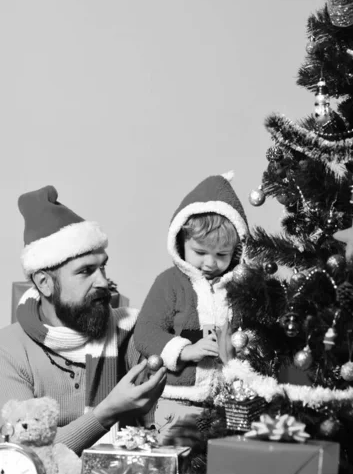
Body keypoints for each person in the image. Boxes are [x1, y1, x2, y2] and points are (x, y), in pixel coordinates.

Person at [0, 185, 166, 455]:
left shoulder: (129, 331)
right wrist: (106, 413)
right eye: (86, 271)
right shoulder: (8, 350)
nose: (103, 282)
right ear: (44, 283)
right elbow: (27, 454)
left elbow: (182, 374)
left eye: (103, 267)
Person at [134, 172, 249, 440]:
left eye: (221, 255)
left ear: (237, 251)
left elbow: (252, 329)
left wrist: (242, 345)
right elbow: (146, 332)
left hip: (229, 398)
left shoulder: (240, 286)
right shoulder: (170, 283)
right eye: (200, 253)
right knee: (178, 458)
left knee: (226, 459)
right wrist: (185, 351)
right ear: (181, 242)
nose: (210, 263)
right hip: (178, 398)